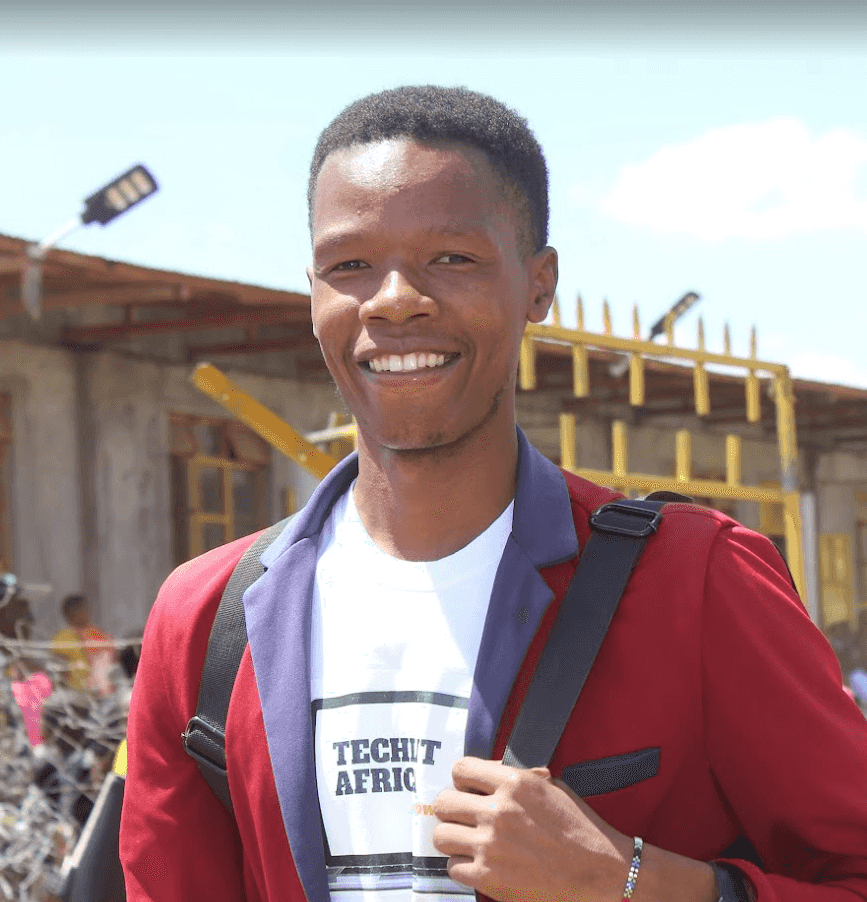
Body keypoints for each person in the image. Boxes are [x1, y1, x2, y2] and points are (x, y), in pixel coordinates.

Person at [120, 86, 867, 902]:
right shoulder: (203, 621)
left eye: (452, 259)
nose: (394, 297)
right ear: (313, 293)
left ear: (538, 285)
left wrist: (635, 883)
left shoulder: (698, 580)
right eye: (349, 266)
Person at [51, 593, 116, 697]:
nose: (87, 613)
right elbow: (59, 669)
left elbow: (110, 656)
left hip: (101, 688)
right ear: (72, 613)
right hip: (75, 690)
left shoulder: (96, 632)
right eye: (83, 609)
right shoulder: (63, 637)